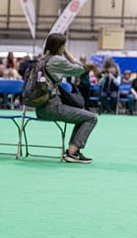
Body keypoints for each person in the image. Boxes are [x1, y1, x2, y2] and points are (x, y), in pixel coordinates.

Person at [35, 33, 97, 163]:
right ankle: (72, 153)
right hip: (52, 107)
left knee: (82, 116)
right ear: (60, 46)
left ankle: (73, 151)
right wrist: (67, 53)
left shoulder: (41, 60)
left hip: (39, 108)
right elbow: (81, 69)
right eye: (64, 45)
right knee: (91, 117)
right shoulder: (57, 60)